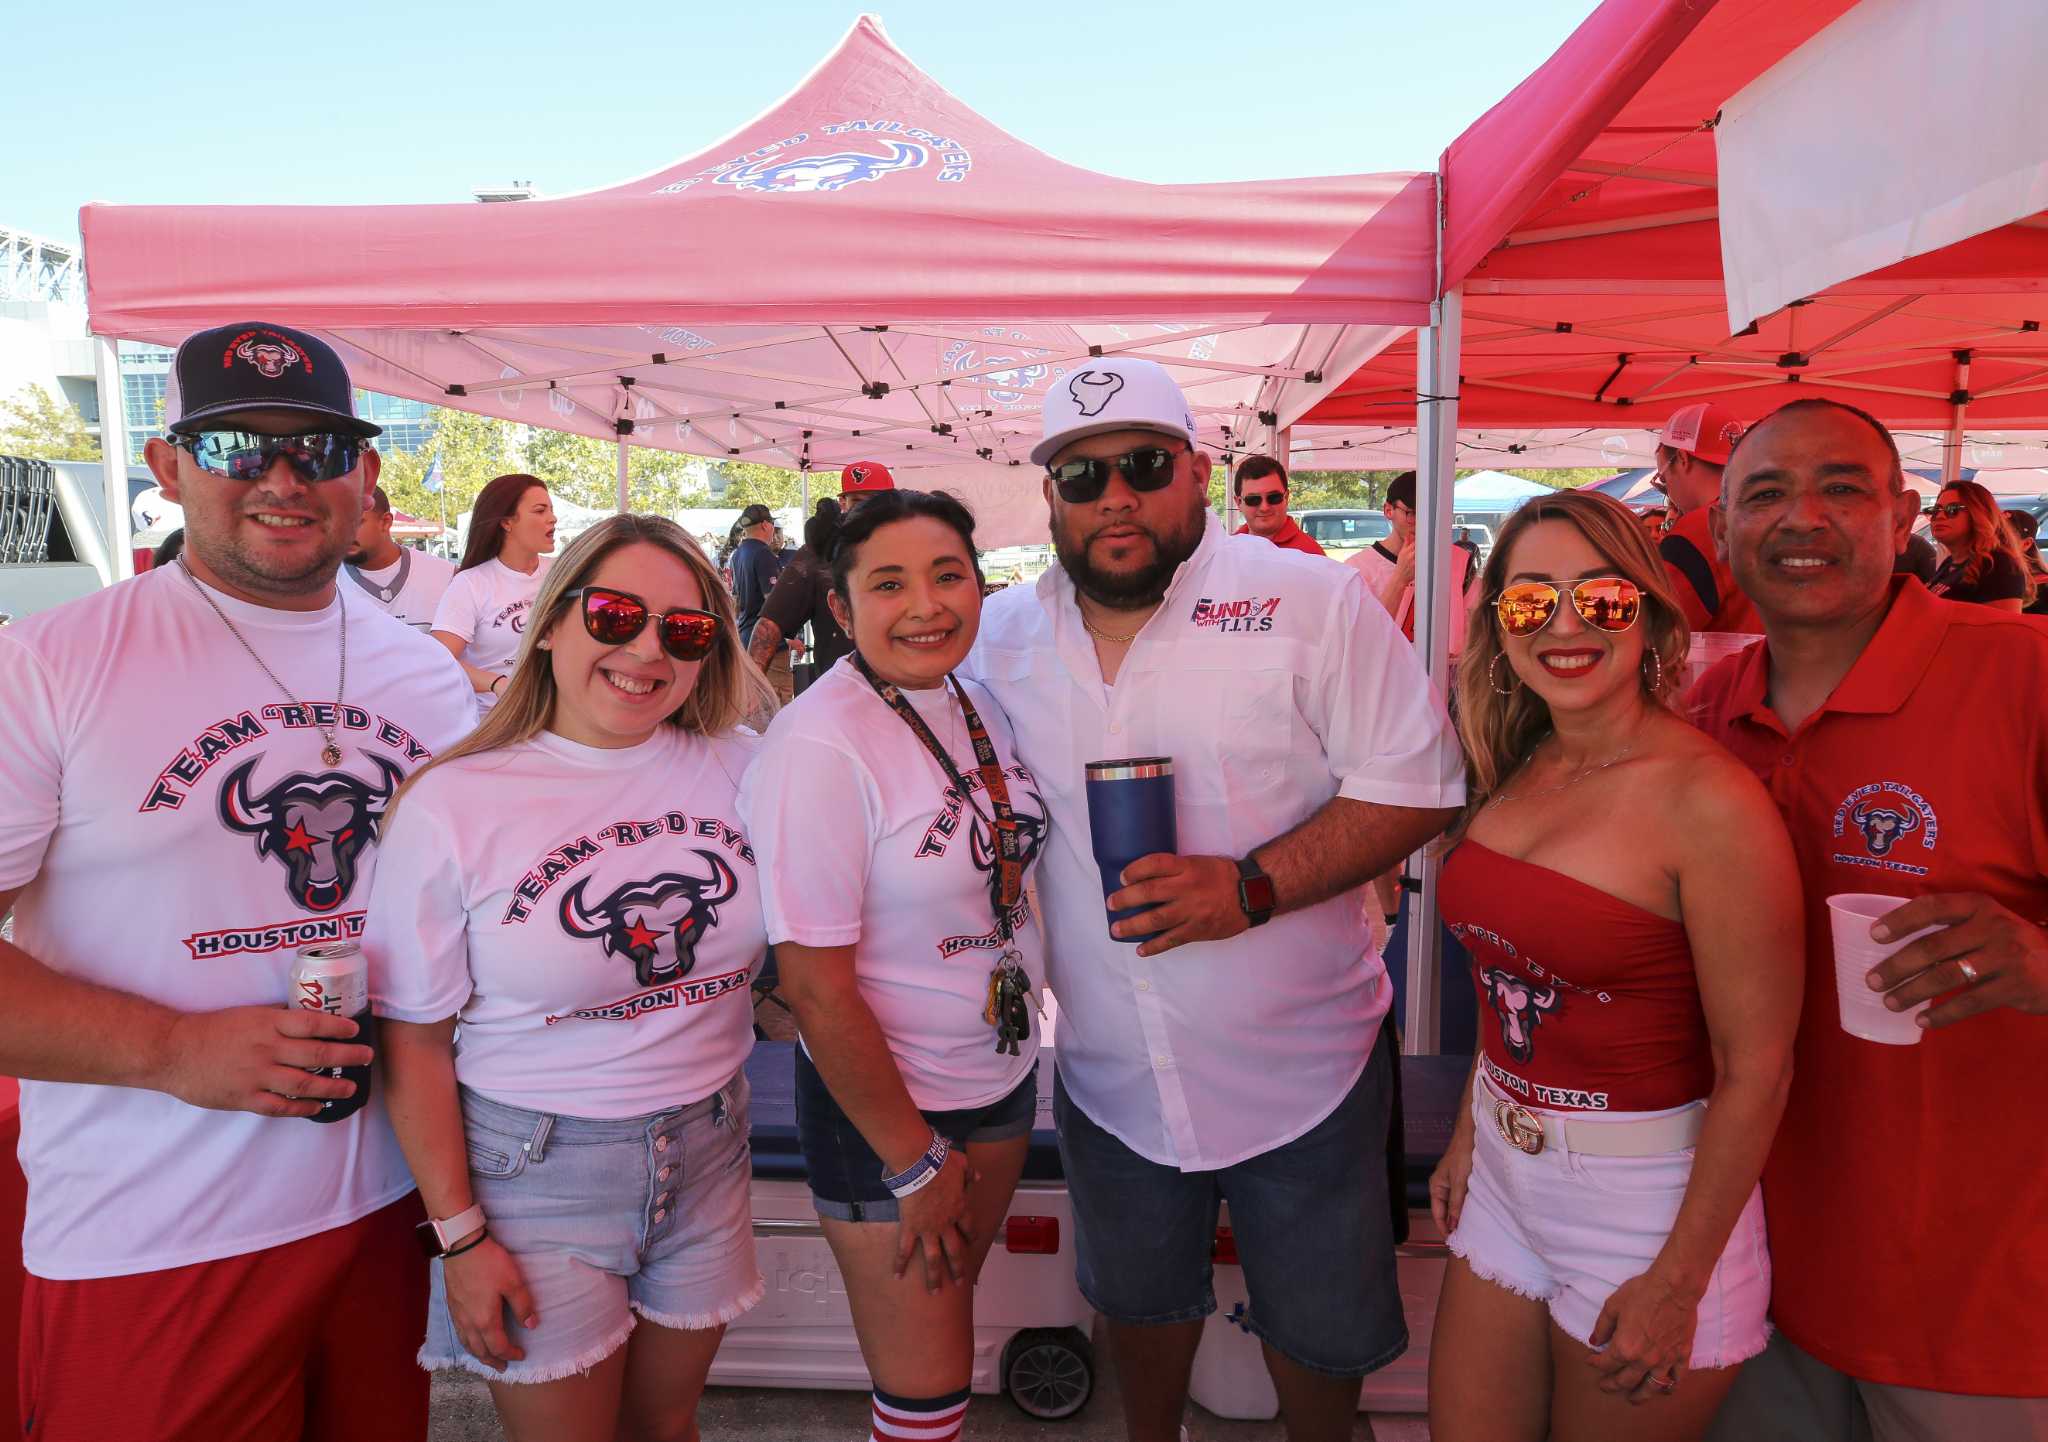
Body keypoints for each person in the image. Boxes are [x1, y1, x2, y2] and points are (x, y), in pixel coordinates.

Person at [964, 357, 1466, 1442]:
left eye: (1143, 465)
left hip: (1306, 1063)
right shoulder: (996, 636)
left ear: (1196, 472)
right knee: (1137, 1300)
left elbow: (1419, 784)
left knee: (1323, 1325)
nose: (1115, 496)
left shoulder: (1304, 599)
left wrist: (1249, 885)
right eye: (1082, 475)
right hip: (1106, 1066)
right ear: (1047, 496)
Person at [0, 321, 477, 1442]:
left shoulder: (426, 672)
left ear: (364, 472)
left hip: (382, 1212)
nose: (279, 478)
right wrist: (172, 1047)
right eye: (235, 449)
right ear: (167, 467)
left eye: (315, 450)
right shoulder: (50, 662)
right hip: (152, 1231)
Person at [370, 514, 772, 1442]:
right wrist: (460, 1237)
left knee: (666, 1429)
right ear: (550, 622)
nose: (646, 651)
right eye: (616, 615)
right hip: (533, 1170)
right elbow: (415, 1045)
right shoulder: (454, 802)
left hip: (711, 1144)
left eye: (684, 629)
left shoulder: (750, 769)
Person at [1695, 398, 2048, 1441]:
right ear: (1719, 533)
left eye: (1840, 487)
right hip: (1751, 1280)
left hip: (1978, 1306)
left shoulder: (2021, 675)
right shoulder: (1704, 713)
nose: (1800, 515)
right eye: (1762, 493)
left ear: (1903, 518)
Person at [1426, 490, 1801, 1442]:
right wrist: (1474, 1129)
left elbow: (1757, 1066)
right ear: (1497, 622)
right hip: (1506, 1183)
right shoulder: (1516, 762)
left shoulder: (1709, 803)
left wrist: (1678, 1283)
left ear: (1650, 613)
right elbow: (1506, 976)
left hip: (1648, 1214)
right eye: (1528, 601)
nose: (1563, 625)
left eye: (1600, 599)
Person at [737, 488, 1048, 1442]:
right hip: (891, 1113)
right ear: (840, 609)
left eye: (948, 575)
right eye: (889, 584)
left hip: (995, 1076)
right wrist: (914, 1166)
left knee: (946, 1324)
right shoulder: (821, 743)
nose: (926, 605)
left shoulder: (974, 699)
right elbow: (816, 989)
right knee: (926, 1384)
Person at [749, 462, 897, 693]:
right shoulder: (821, 552)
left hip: (911, 699)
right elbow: (770, 624)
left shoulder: (910, 546)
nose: (867, 510)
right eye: (857, 501)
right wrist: (751, 690)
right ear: (843, 504)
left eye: (875, 501)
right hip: (841, 702)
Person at [432, 472, 556, 714]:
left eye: (551, 510)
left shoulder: (562, 571)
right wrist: (496, 683)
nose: (552, 518)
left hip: (556, 718)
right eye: (540, 511)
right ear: (506, 522)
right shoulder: (470, 584)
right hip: (493, 723)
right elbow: (439, 661)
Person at [1653, 403, 1762, 635]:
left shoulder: (1693, 533)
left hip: (1725, 669)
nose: (1668, 491)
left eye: (1663, 479)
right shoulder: (1772, 512)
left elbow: (1662, 633)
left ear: (1682, 459)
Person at [1345, 469, 1478, 658]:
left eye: (1431, 514)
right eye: (1412, 513)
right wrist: (1400, 579)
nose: (1422, 523)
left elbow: (1474, 630)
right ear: (1388, 510)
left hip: (1440, 680)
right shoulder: (1358, 568)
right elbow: (1360, 640)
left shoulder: (1456, 565)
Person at [345, 484, 456, 630]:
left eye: (356, 522)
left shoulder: (446, 576)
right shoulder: (321, 585)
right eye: (336, 523)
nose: (344, 533)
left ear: (385, 522)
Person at [1924, 479, 2032, 612]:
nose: (1940, 516)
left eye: (1952, 510)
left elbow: (2003, 629)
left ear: (1977, 514)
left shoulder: (1998, 563)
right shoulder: (1950, 562)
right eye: (1935, 510)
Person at [727, 503, 788, 702]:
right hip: (766, 644)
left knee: (754, 703)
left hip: (745, 637)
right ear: (764, 525)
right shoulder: (764, 554)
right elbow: (773, 601)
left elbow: (735, 600)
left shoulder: (737, 554)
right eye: (772, 524)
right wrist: (786, 638)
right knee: (775, 704)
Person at [1231, 455, 1326, 555]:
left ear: (1286, 497)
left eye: (1273, 498)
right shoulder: (1229, 549)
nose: (1264, 507)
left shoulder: (1311, 553)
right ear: (1239, 503)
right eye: (1253, 499)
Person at [2006, 509, 2048, 615]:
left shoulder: (2043, 585)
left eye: (2005, 538)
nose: (1995, 543)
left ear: (2026, 544)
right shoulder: (1980, 574)